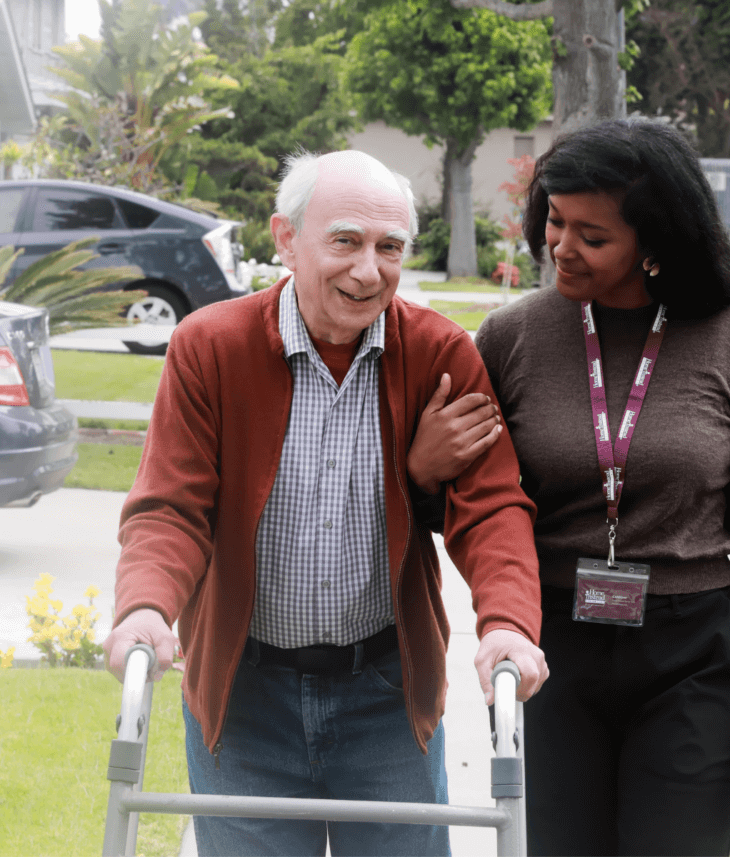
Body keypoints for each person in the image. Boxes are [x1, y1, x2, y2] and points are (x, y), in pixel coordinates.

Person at [101, 149, 548, 857]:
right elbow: (171, 506)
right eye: (345, 240)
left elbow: (490, 506)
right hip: (245, 697)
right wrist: (146, 607)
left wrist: (508, 623)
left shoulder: (439, 355)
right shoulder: (209, 348)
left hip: (385, 696)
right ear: (286, 239)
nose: (368, 270)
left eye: (389, 247)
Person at [428, 118, 730, 856]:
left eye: (592, 236)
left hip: (693, 654)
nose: (561, 246)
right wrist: (425, 468)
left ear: (655, 240)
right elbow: (465, 507)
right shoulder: (511, 338)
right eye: (554, 222)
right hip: (553, 648)